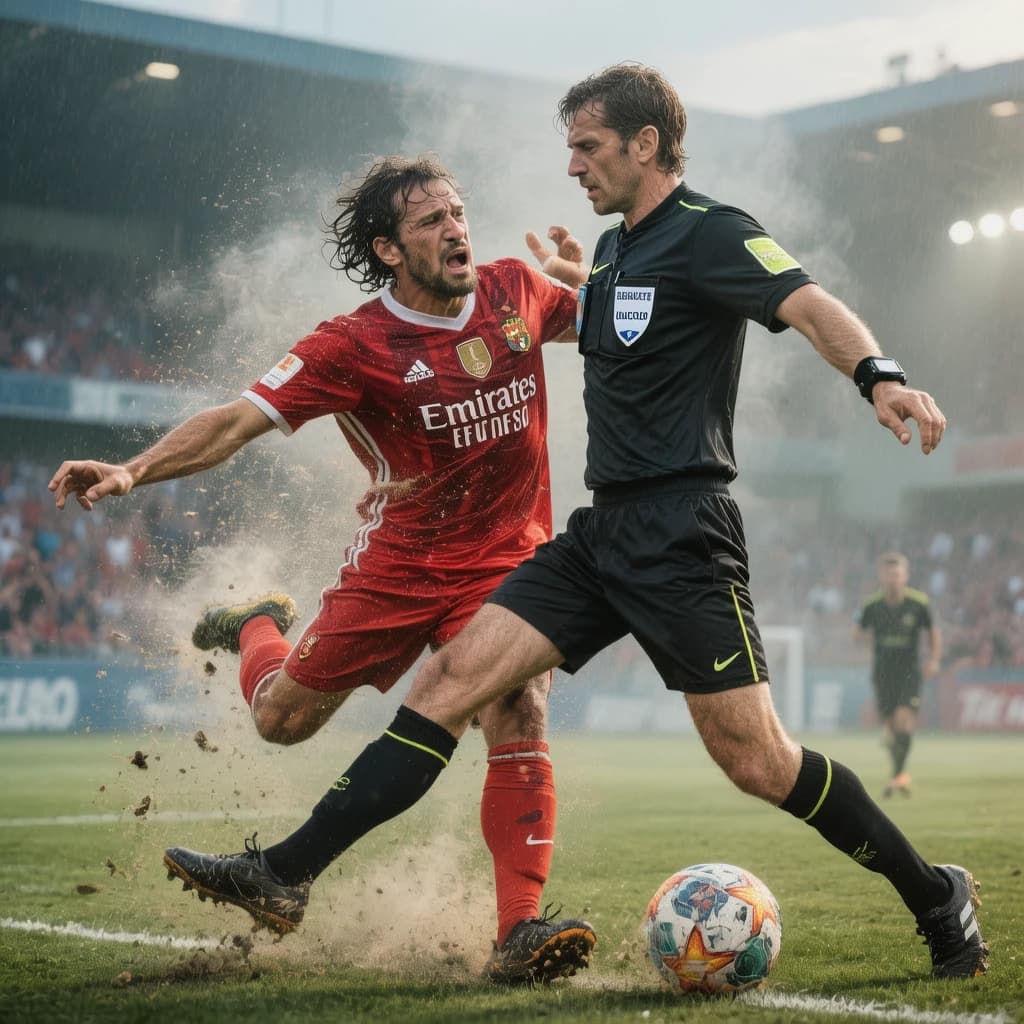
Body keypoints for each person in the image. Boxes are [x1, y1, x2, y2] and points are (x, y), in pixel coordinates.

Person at [154, 66, 988, 982]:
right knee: (450, 684)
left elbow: (808, 302)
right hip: (598, 536)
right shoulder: (614, 251)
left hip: (683, 534)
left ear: (644, 145)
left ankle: (933, 892)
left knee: (757, 760)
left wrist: (882, 376)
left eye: (587, 147)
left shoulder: (712, 233)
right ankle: (284, 872)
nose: (573, 167)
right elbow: (596, 324)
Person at [48, 156, 597, 986]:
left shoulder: (515, 288)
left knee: (518, 706)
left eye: (458, 212)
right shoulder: (353, 344)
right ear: (387, 248)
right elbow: (235, 421)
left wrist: (594, 278)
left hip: (508, 561)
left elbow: (614, 322)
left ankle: (518, 933)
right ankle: (256, 626)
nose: (456, 229)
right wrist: (132, 472)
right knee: (282, 721)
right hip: (400, 565)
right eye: (430, 222)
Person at [855, 552, 942, 797]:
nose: (893, 579)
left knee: (904, 719)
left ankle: (897, 777)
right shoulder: (872, 606)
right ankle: (900, 776)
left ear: (905, 576)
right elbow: (857, 633)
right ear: (881, 576)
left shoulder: (919, 603)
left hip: (909, 671)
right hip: (883, 672)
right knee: (892, 727)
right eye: (888, 574)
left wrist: (934, 660)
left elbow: (933, 632)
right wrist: (863, 638)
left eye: (897, 574)